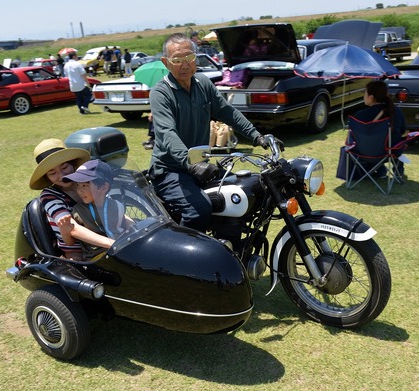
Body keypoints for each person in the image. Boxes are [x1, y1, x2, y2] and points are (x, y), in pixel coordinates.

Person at [149, 33, 267, 232]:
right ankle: (186, 258)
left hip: (199, 165)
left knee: (240, 193)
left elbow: (227, 112)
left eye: (189, 58)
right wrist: (191, 163)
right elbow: (167, 133)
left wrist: (257, 136)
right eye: (177, 60)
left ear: (196, 58)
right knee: (198, 210)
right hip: (170, 171)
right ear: (166, 62)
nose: (184, 65)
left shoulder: (203, 83)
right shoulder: (161, 93)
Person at [58, 159, 134, 261]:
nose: (79, 190)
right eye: (77, 185)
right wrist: (65, 232)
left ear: (103, 187)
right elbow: (70, 241)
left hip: (122, 252)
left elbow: (126, 225)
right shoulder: (78, 211)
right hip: (97, 259)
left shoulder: (116, 205)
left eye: (85, 185)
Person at [29, 138, 92, 260]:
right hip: (80, 255)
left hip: (105, 244)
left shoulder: (88, 181)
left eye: (64, 167)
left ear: (73, 163)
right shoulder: (49, 195)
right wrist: (110, 243)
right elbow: (74, 229)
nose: (62, 175)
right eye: (52, 173)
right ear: (47, 177)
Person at [341, 80, 408, 178]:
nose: (363, 95)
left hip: (364, 153)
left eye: (365, 93)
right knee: (395, 141)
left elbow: (353, 138)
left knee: (369, 142)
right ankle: (397, 170)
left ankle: (378, 170)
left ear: (371, 97)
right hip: (390, 153)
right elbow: (403, 130)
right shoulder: (395, 111)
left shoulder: (360, 115)